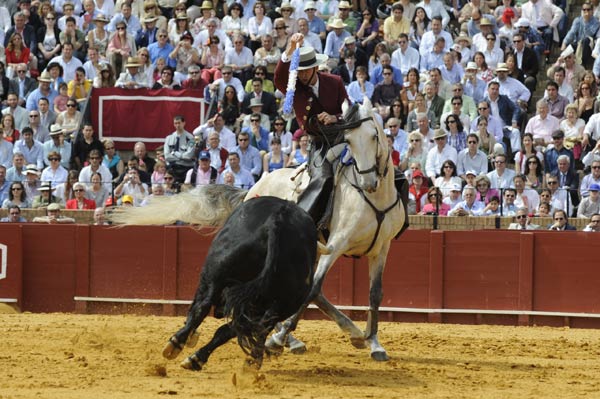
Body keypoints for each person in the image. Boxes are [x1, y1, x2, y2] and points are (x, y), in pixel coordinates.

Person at [274, 34, 347, 226]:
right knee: (323, 177)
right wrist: (290, 48)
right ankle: (309, 223)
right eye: (300, 71)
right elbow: (279, 76)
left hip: (342, 139)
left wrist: (335, 117)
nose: (303, 75)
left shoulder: (335, 81)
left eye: (306, 71)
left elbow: (348, 110)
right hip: (319, 144)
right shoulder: (294, 86)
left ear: (316, 68)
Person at [164, 115, 196, 183]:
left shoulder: (191, 138)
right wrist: (181, 157)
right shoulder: (169, 138)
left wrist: (175, 154)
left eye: (179, 123)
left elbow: (188, 156)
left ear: (184, 123)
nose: (177, 125)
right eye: (176, 123)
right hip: (173, 168)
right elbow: (167, 156)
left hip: (186, 167)